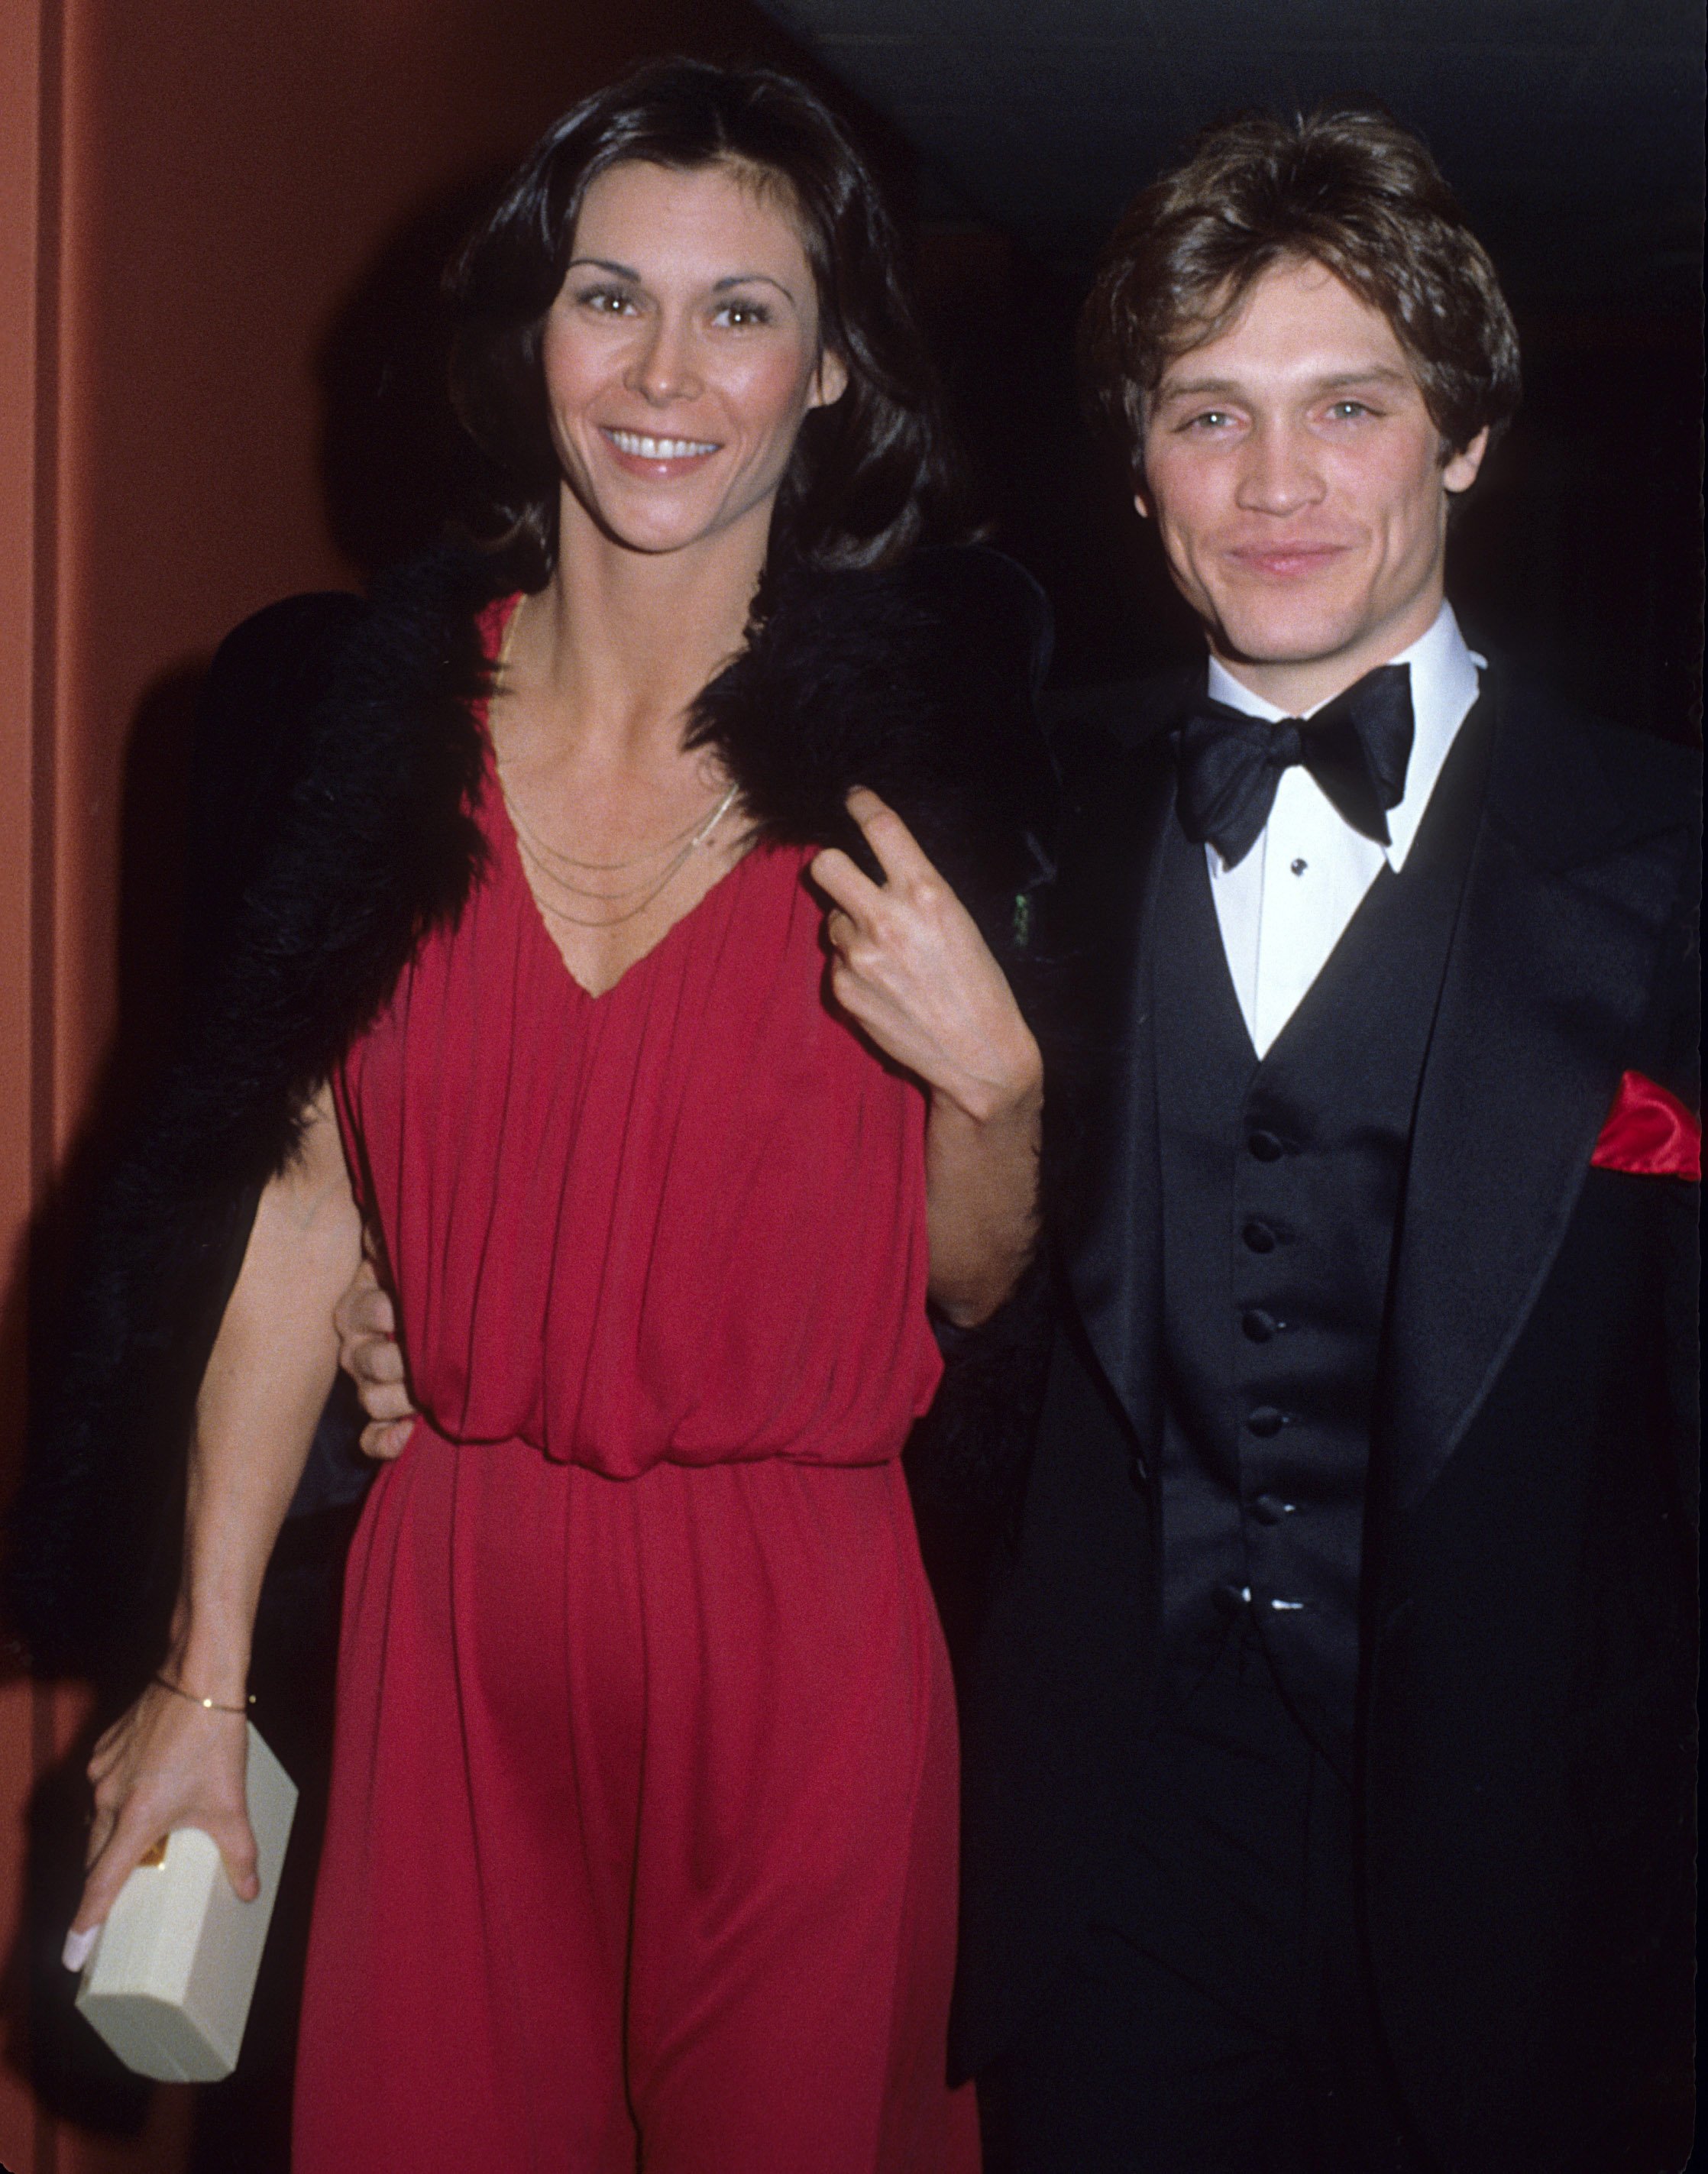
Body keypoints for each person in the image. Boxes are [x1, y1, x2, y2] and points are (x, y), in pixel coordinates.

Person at [18, 60, 1058, 2172]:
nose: (667, 371)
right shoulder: (373, 730)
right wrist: (202, 1683)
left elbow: (969, 1279)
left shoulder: (925, 763)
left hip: (804, 1624)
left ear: (832, 368)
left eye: (741, 310)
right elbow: (304, 1224)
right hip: (455, 1604)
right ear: (529, 333)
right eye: (610, 296)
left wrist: (1001, 1084)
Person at [948, 108, 1700, 2174]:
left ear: (1463, 438)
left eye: (1344, 407)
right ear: (1134, 471)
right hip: (1110, 1864)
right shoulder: (1016, 856)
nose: (1273, 487)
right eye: (1209, 417)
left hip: (1524, 1880)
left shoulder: (1669, 858)